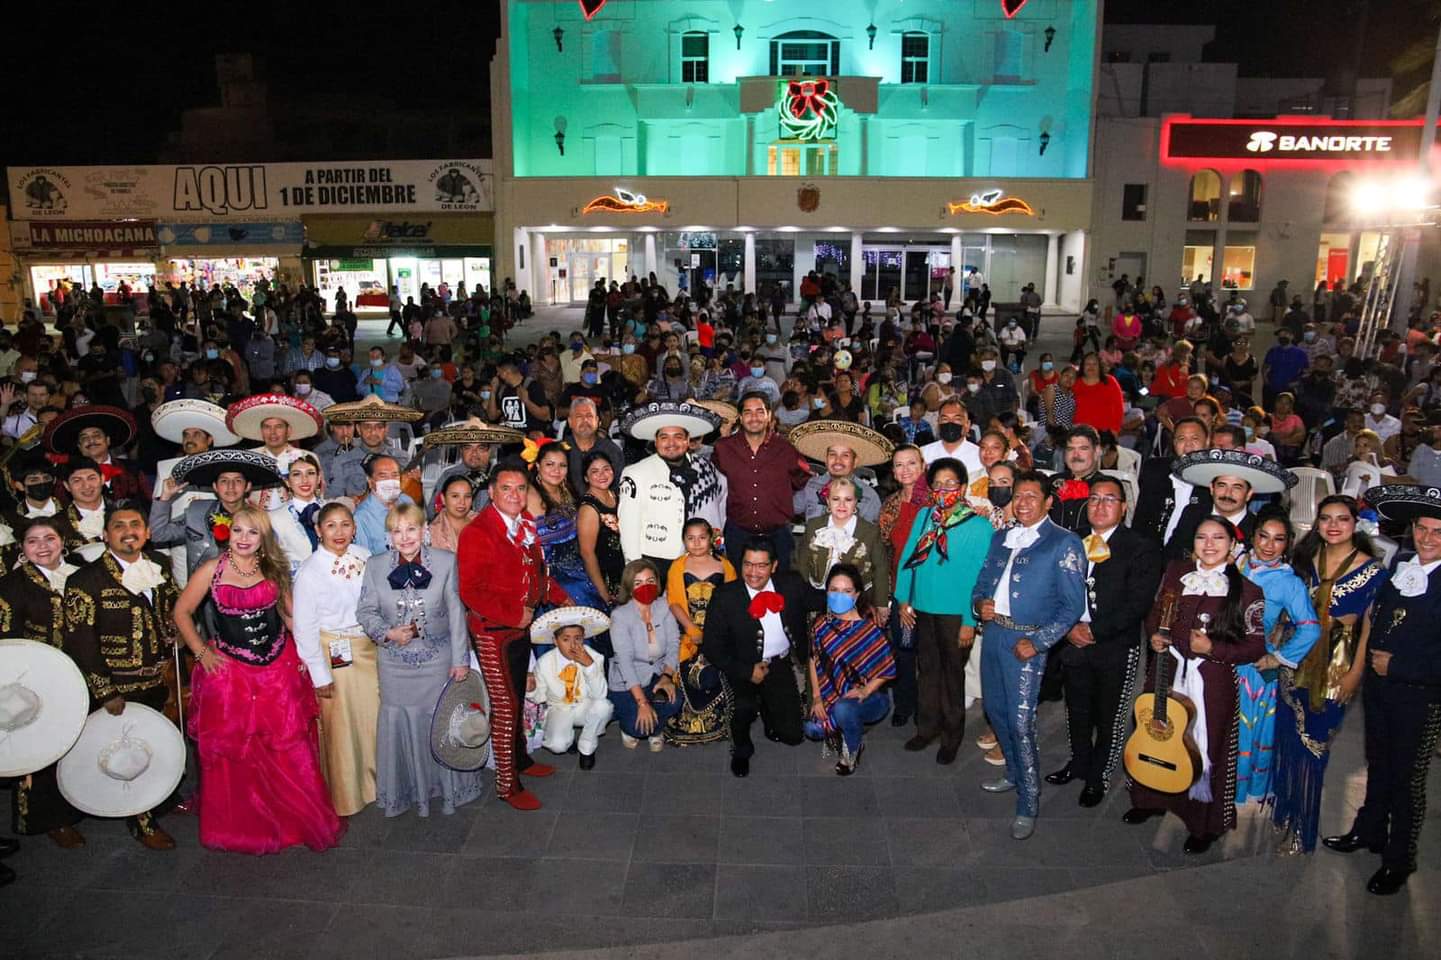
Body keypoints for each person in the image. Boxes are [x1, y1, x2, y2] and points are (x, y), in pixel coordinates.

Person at [173, 506, 345, 853]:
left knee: (285, 746)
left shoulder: (273, 568)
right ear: (228, 533)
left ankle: (290, 819)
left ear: (263, 538)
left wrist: (313, 656)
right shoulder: (212, 569)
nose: (244, 539)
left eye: (252, 532)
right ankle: (244, 825)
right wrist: (202, 653)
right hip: (230, 672)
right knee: (237, 752)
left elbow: (292, 616)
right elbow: (181, 612)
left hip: (277, 668)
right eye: (238, 531)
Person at [1321, 485, 1441, 895]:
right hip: (1380, 688)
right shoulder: (1404, 563)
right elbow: (1383, 614)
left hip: (1420, 696)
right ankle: (1369, 830)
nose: (1427, 537)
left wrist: (1399, 664)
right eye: (1422, 529)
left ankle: (1400, 857)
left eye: (1437, 531)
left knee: (1409, 778)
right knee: (1378, 763)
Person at [1124, 517, 1267, 854]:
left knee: (1206, 747)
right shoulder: (1176, 572)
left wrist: (1212, 649)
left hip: (1212, 679)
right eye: (1202, 537)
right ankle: (1151, 797)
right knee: (1157, 730)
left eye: (1219, 538)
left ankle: (1204, 823)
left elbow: (1256, 647)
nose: (1210, 544)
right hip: (1166, 668)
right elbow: (1155, 611)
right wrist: (1156, 635)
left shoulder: (1247, 590)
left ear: (1232, 545)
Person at [1267, 497, 1385, 854]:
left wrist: (1355, 674)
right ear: (1316, 523)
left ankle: (1305, 827)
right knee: (1287, 736)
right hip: (1295, 655)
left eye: (1342, 519)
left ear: (1355, 524)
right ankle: (1286, 810)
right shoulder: (1303, 561)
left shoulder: (1375, 572)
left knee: (1314, 745)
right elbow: (1288, 605)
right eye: (1325, 518)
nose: (1333, 526)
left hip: (1337, 663)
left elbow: (1369, 629)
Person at [973, 471, 1087, 840]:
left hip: (1026, 643)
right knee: (995, 710)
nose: (1022, 502)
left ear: (1048, 502)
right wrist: (979, 605)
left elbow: (1072, 606)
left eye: (1031, 496)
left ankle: (1029, 798)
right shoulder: (1000, 536)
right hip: (993, 634)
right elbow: (981, 582)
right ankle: (1012, 773)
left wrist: (1039, 642)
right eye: (1018, 495)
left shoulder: (1064, 543)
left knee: (1021, 723)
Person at [62, 502, 182, 850]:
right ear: (105, 534)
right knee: (127, 755)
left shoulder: (158, 564)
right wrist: (105, 691)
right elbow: (80, 641)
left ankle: (156, 802)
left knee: (155, 746)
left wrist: (173, 631)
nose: (128, 531)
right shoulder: (84, 579)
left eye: (135, 524)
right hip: (119, 684)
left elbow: (172, 606)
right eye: (119, 526)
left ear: (147, 532)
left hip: (158, 677)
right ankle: (141, 823)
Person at [457, 460, 571, 811]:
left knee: (518, 697)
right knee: (506, 707)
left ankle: (521, 759)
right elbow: (471, 591)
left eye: (520, 488)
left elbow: (536, 572)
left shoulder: (524, 524)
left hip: (519, 628)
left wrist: (557, 593)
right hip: (493, 631)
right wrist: (514, 614)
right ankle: (507, 784)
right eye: (506, 488)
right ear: (491, 492)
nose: (514, 495)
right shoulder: (478, 532)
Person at [356, 503, 481, 818]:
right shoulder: (374, 565)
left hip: (438, 660)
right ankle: (412, 790)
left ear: (424, 530)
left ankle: (449, 789)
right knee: (399, 721)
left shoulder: (446, 562)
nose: (405, 537)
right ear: (389, 536)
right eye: (397, 531)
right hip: (394, 664)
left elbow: (456, 614)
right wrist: (387, 633)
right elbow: (365, 611)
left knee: (440, 722)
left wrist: (460, 660)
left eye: (411, 529)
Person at [1046, 477, 1162, 807]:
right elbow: (1053, 589)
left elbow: (1137, 603)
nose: (1100, 505)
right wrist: (1069, 628)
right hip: (1071, 640)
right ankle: (1078, 762)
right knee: (1077, 709)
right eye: (1094, 498)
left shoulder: (1140, 547)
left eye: (1109, 499)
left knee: (1110, 715)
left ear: (1124, 507)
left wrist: (1094, 631)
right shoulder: (1071, 540)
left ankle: (1099, 776)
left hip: (1115, 644)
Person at [893, 458, 994, 765]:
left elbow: (982, 577)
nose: (943, 489)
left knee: (952, 676)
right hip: (923, 607)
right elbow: (909, 557)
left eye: (951, 484)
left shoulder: (979, 525)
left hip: (956, 615)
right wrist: (902, 600)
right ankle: (927, 728)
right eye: (937, 484)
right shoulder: (926, 516)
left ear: (963, 488)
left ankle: (951, 737)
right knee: (927, 671)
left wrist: (969, 620)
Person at [0, 518, 84, 848]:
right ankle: (44, 819)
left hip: (81, 668)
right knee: (39, 747)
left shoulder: (81, 572)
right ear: (22, 547)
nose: (43, 546)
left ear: (63, 541)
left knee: (74, 739)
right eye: (33, 541)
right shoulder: (10, 586)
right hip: (37, 677)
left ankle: (77, 803)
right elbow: (7, 642)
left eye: (49, 538)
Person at [702, 539, 817, 778]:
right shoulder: (725, 596)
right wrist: (746, 671)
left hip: (780, 663)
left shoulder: (792, 584)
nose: (753, 573)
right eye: (748, 565)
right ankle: (741, 748)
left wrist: (856, 598)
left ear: (774, 566)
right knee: (743, 708)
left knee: (793, 736)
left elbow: (821, 599)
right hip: (741, 666)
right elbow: (713, 648)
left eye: (761, 566)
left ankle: (768, 709)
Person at [292, 502, 379, 817]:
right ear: (318, 530)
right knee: (342, 726)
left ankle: (378, 785)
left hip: (370, 648)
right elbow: (304, 628)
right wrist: (319, 674)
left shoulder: (366, 558)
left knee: (372, 720)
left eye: (345, 524)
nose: (339, 532)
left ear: (354, 528)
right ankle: (348, 793)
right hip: (335, 653)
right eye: (331, 525)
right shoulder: (309, 571)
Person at [805, 563, 896, 775]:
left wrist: (866, 690)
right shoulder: (820, 624)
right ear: (826, 592)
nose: (839, 596)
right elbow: (813, 659)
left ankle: (852, 748)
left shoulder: (869, 629)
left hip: (871, 698)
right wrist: (817, 697)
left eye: (846, 591)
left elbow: (887, 668)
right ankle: (844, 723)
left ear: (856, 596)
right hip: (830, 694)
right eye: (834, 590)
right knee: (812, 729)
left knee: (844, 709)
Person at [618, 402, 727, 578]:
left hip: (697, 559)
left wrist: (715, 544)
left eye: (678, 436)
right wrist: (635, 570)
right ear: (655, 441)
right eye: (664, 437)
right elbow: (628, 526)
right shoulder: (635, 473)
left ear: (687, 440)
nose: (671, 443)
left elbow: (721, 502)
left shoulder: (706, 468)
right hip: (654, 561)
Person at [712, 391, 810, 570]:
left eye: (759, 411)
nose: (754, 418)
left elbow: (804, 481)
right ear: (740, 417)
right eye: (748, 412)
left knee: (780, 588)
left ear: (769, 415)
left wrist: (782, 505)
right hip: (738, 533)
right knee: (738, 588)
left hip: (778, 535)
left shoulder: (786, 450)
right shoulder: (723, 448)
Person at [663, 518, 735, 745]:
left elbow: (733, 601)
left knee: (715, 674)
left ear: (711, 539)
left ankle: (718, 724)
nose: (696, 543)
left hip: (718, 632)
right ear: (684, 540)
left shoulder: (724, 565)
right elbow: (673, 601)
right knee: (689, 671)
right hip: (687, 631)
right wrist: (690, 627)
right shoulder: (678, 566)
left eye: (702, 538)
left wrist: (717, 633)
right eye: (690, 538)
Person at [607, 559, 684, 751]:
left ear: (657, 582)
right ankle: (630, 727)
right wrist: (642, 703)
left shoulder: (664, 605)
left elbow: (674, 643)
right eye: (638, 583)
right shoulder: (620, 616)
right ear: (629, 586)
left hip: (657, 674)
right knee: (637, 727)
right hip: (628, 682)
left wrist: (667, 676)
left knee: (675, 700)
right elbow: (624, 662)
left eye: (650, 581)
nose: (646, 587)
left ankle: (655, 728)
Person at [876, 444, 928, 728]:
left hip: (931, 593)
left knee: (929, 656)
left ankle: (926, 708)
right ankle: (904, 703)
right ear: (894, 472)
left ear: (922, 466)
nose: (905, 470)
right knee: (903, 651)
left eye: (911, 463)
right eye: (899, 465)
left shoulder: (936, 503)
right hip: (899, 591)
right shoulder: (890, 506)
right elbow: (883, 554)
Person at [527, 442, 607, 612]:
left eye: (562, 465)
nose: (556, 470)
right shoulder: (528, 495)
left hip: (578, 568)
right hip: (551, 577)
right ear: (537, 465)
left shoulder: (567, 491)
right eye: (550, 464)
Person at [527, 614, 613, 770]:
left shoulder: (593, 656)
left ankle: (587, 747)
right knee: (557, 745)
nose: (573, 645)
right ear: (555, 641)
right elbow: (539, 696)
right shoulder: (545, 662)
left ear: (584, 638)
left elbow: (600, 694)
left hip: (584, 705)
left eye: (578, 639)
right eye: (565, 639)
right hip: (559, 707)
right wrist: (531, 689)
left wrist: (589, 666)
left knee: (604, 706)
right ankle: (568, 737)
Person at [795, 477, 890, 613]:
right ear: (828, 501)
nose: (842, 505)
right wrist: (802, 594)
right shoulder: (813, 525)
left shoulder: (870, 531)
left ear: (856, 502)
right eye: (836, 499)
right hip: (818, 597)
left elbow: (881, 569)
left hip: (858, 600)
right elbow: (802, 562)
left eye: (848, 500)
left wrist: (881, 604)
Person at [791, 420, 890, 523]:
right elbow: (789, 509)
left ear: (855, 462)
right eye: (833, 454)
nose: (838, 461)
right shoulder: (812, 485)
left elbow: (872, 534)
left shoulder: (868, 496)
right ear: (826, 459)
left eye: (845, 455)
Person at [353, 455, 411, 555]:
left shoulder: (407, 501)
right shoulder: (361, 517)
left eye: (395, 475)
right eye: (383, 476)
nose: (390, 481)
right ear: (370, 481)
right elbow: (364, 559)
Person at [920, 398, 983, 477]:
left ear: (967, 424)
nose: (950, 424)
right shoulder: (923, 454)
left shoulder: (980, 456)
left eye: (957, 419)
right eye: (945, 419)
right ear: (938, 423)